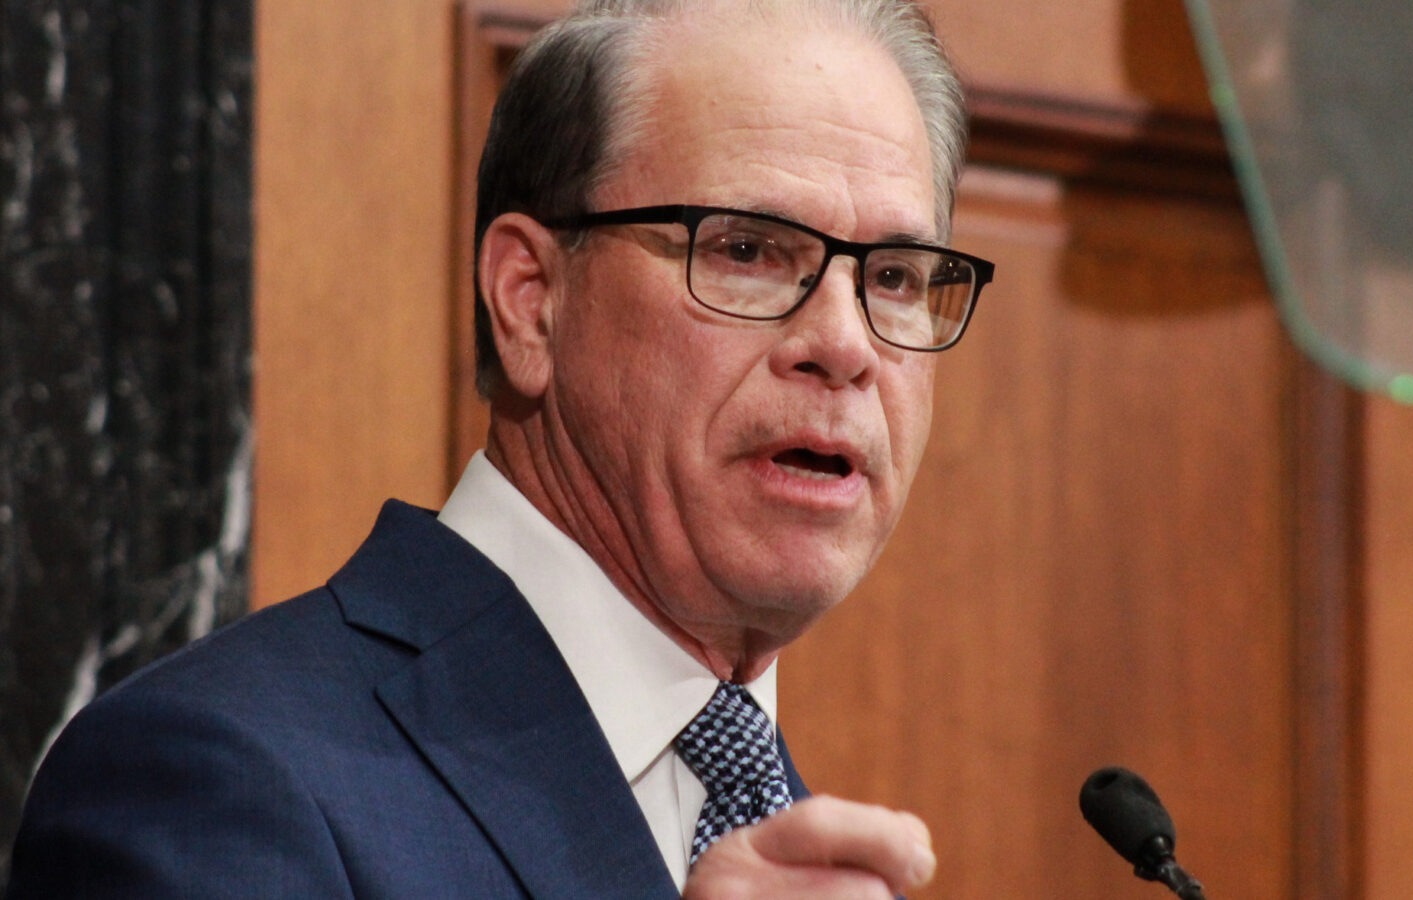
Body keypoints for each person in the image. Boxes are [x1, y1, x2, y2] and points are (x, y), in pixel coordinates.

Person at [6, 0, 993, 896]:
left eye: (899, 277)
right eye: (744, 251)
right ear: (530, 301)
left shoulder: (788, 840)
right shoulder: (216, 779)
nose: (847, 346)